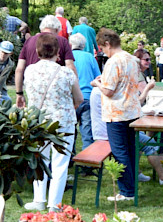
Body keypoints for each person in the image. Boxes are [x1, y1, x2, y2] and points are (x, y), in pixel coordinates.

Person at [23, 32, 82, 211]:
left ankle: (39, 199)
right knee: (60, 164)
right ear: (57, 52)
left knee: (40, 159)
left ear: (37, 51)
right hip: (63, 121)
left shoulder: (30, 71)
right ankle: (54, 204)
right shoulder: (66, 73)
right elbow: (79, 99)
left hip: (38, 121)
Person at [89, 86, 163, 186]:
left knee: (140, 137)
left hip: (108, 129)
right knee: (150, 143)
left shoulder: (99, 89)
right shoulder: (106, 92)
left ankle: (136, 172)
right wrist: (147, 89)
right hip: (110, 133)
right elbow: (134, 105)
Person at [94, 29, 141, 202]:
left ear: (107, 44)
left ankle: (127, 191)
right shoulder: (132, 59)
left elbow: (108, 90)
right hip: (132, 110)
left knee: (120, 152)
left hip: (116, 112)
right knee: (130, 150)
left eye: (102, 48)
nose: (103, 52)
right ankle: (132, 187)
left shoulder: (113, 61)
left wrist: (97, 84)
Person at [15, 16, 76, 108]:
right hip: (56, 90)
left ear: (41, 28)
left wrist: (19, 93)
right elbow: (70, 66)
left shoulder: (29, 41)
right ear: (57, 29)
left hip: (34, 88)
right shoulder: (62, 41)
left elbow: (19, 69)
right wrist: (75, 91)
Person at [70, 32, 100, 145]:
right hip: (87, 97)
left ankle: (70, 155)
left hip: (71, 97)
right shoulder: (90, 57)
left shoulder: (68, 58)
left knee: (69, 133)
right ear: (84, 45)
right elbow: (98, 77)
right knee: (87, 133)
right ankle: (87, 155)